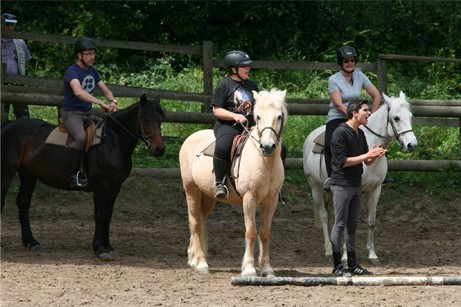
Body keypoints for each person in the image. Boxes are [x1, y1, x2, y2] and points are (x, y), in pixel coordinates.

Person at [211, 50, 288, 201]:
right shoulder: (224, 85)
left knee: (282, 148)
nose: (248, 69)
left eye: (248, 66)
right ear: (234, 68)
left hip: (251, 126)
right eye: (244, 66)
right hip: (228, 125)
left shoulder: (251, 85)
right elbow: (216, 109)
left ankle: (278, 187)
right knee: (223, 146)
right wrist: (234, 116)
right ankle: (220, 183)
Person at [329, 100, 387, 276]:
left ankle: (353, 264)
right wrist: (366, 155)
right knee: (339, 223)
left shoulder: (359, 134)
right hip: (341, 184)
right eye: (365, 110)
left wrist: (374, 155)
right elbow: (343, 161)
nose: (369, 113)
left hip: (355, 184)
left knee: (352, 225)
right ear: (355, 113)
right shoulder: (340, 132)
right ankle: (337, 265)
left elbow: (366, 161)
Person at [324, 46, 383, 191]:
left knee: (375, 141)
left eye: (352, 60)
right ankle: (332, 178)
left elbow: (376, 96)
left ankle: (379, 175)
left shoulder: (360, 76)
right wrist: (354, 116)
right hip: (338, 117)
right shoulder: (333, 79)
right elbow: (338, 103)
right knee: (328, 143)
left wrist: (371, 115)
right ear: (341, 62)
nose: (349, 63)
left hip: (357, 117)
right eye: (346, 61)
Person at [62, 37, 118, 188]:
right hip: (72, 113)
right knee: (80, 137)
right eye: (88, 54)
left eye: (93, 53)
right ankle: (74, 175)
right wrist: (99, 103)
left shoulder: (93, 71)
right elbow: (78, 92)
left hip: (87, 114)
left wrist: (113, 101)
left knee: (106, 131)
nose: (92, 57)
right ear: (79, 55)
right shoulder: (72, 71)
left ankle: (97, 168)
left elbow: (105, 90)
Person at [1, 13, 32, 121]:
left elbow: (27, 61)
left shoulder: (19, 42)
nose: (9, 28)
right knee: (2, 116)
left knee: (23, 117)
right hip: (1, 83)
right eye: (7, 25)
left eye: (12, 25)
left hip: (18, 83)